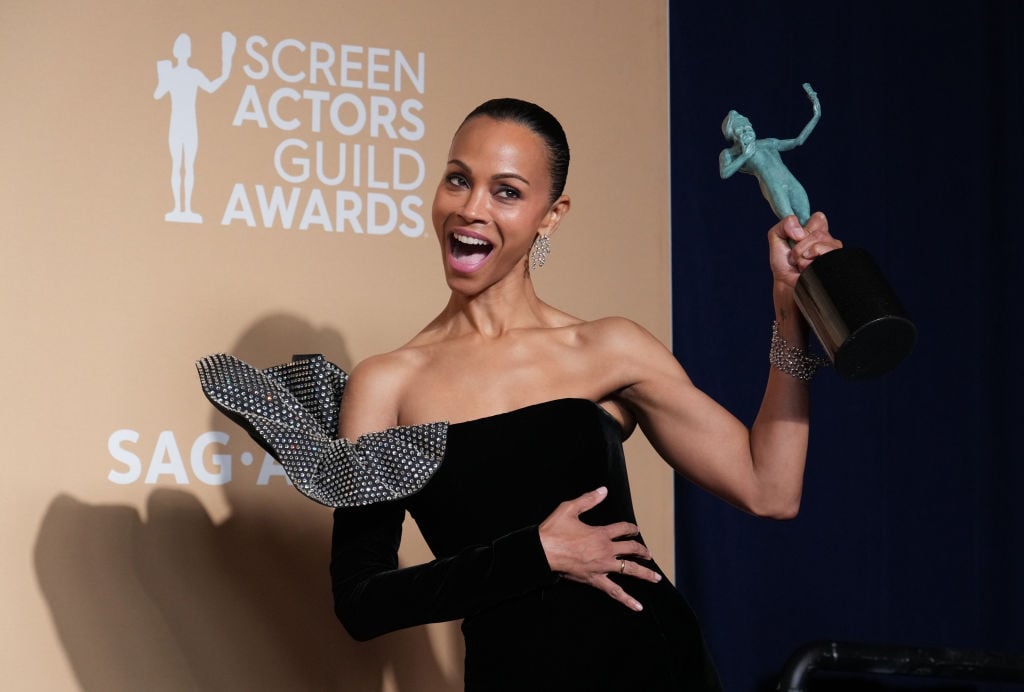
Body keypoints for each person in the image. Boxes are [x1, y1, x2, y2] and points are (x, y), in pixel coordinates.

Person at [321, 97, 842, 691]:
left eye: (507, 192)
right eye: (458, 180)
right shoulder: (386, 384)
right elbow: (360, 602)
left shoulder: (609, 347)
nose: (471, 209)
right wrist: (534, 554)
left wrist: (789, 313)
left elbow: (769, 487)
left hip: (654, 667)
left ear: (552, 214)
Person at [719, 82, 821, 224]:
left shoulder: (768, 142)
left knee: (806, 220)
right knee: (792, 225)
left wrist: (816, 115)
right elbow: (724, 173)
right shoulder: (731, 153)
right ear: (734, 136)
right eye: (740, 130)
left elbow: (798, 141)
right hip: (775, 187)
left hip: (791, 182)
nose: (746, 131)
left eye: (747, 127)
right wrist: (746, 155)